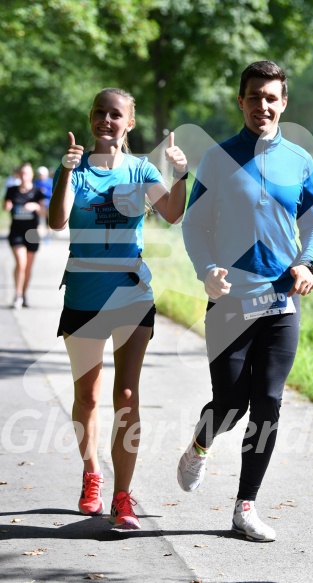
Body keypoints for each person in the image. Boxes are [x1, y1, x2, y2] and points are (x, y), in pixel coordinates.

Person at [178, 61, 313, 542]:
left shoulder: (300, 161)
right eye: (253, 96)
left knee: (267, 402)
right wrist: (207, 272)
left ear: (283, 102)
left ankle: (246, 507)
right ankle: (200, 444)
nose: (262, 105)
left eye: (271, 97)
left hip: (281, 302)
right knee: (229, 404)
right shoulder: (218, 160)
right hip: (230, 302)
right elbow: (194, 225)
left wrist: (308, 263)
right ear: (240, 101)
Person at [49, 87, 187, 530]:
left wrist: (182, 175)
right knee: (87, 396)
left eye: (115, 115)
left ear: (129, 124)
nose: (106, 120)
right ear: (91, 119)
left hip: (130, 293)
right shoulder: (75, 167)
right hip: (84, 295)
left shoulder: (141, 169)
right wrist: (64, 174)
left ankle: (123, 497)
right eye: (99, 113)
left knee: (126, 395)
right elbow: (57, 220)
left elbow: (171, 213)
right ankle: (92, 473)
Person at [3, 162, 46, 309]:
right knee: (21, 263)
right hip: (17, 232)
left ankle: (23, 294)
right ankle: (17, 295)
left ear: (31, 175)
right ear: (18, 175)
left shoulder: (37, 191)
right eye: (21, 173)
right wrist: (7, 206)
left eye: (26, 173)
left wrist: (35, 206)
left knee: (27, 267)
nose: (24, 176)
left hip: (32, 233)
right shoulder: (12, 190)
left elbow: (44, 212)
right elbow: (5, 205)